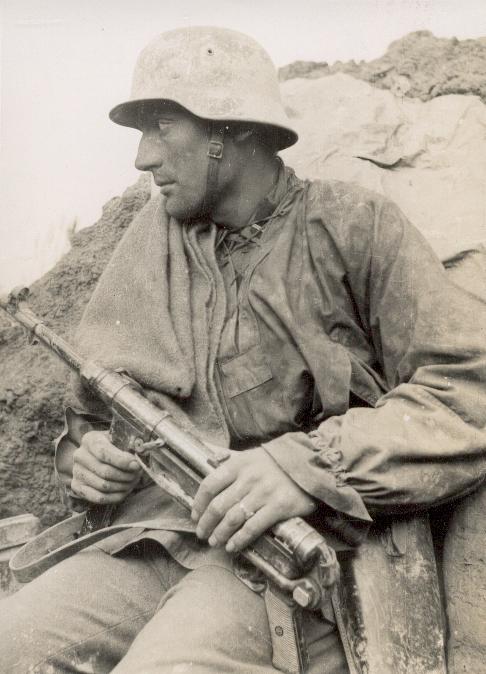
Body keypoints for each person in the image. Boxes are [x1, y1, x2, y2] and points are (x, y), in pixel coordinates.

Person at [1, 26, 486, 674]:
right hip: (157, 535)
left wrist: (302, 466)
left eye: (161, 127)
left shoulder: (354, 227)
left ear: (226, 133)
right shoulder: (152, 244)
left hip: (297, 554)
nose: (142, 158)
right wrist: (90, 461)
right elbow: (92, 414)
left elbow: (468, 391)